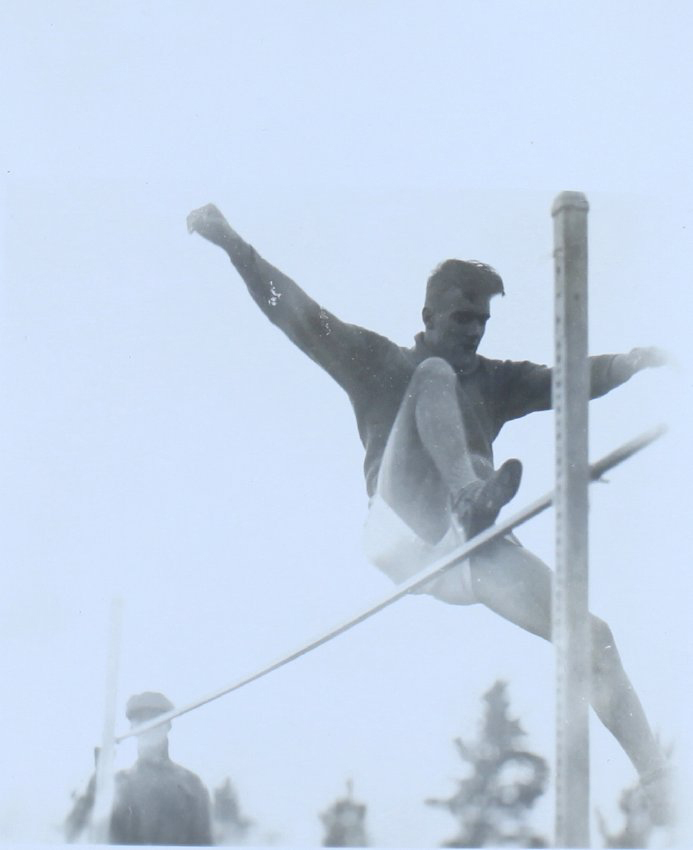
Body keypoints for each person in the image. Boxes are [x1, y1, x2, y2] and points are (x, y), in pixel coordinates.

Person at [186, 202, 671, 821]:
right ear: (428, 316)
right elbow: (296, 313)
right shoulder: (379, 361)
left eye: (482, 323)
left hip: (465, 551)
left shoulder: (495, 378)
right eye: (462, 318)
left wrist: (627, 363)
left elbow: (565, 380)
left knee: (592, 635)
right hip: (404, 525)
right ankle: (470, 492)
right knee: (435, 375)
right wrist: (232, 244)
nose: (473, 332)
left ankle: (658, 778)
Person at [66, 692, 213, 845]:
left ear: (168, 725)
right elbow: (73, 833)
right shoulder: (116, 784)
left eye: (155, 718)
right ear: (132, 728)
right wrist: (98, 777)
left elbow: (205, 843)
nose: (148, 726)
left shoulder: (191, 785)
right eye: (141, 720)